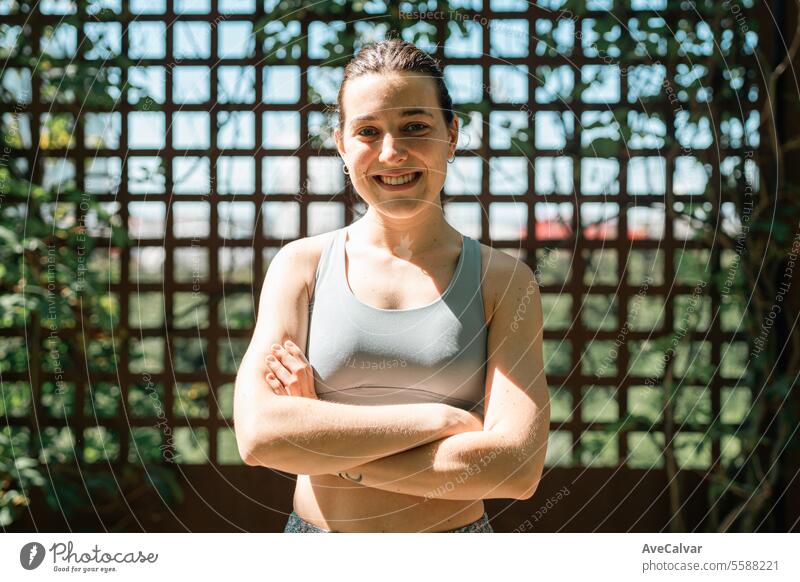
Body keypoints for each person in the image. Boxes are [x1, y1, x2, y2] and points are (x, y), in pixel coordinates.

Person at [234, 37, 550, 533]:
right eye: (367, 131)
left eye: (415, 127)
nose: (391, 152)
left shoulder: (504, 282)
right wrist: (437, 423)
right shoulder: (301, 267)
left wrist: (326, 446)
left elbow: (516, 467)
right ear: (341, 144)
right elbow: (259, 436)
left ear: (452, 134)